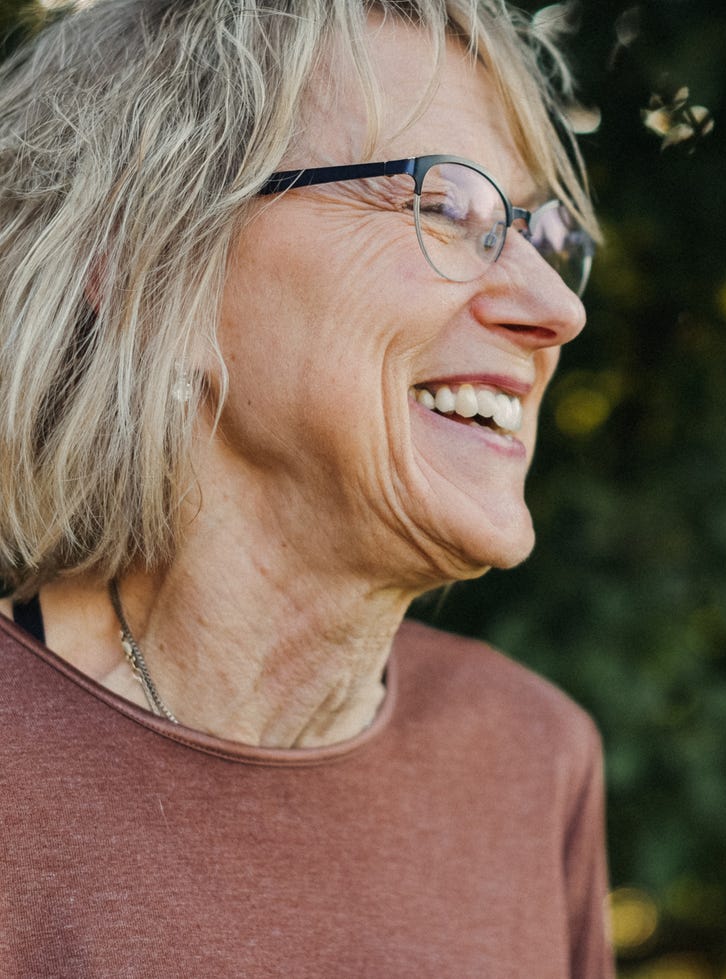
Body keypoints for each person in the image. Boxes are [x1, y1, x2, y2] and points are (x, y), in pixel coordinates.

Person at [0, 0, 610, 975]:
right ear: (152, 264)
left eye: (543, 234)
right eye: (447, 206)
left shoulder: (530, 763)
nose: (558, 307)